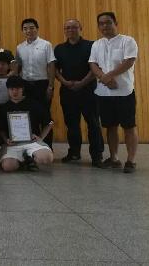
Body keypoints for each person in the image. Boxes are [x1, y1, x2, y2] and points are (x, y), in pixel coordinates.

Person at [89, 12, 138, 173]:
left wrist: (108, 75)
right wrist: (103, 77)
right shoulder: (97, 44)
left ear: (115, 23)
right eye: (101, 23)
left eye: (108, 22)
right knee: (110, 127)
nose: (105, 26)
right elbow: (93, 64)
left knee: (129, 127)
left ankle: (131, 160)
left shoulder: (127, 41)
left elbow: (129, 61)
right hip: (103, 93)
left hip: (124, 92)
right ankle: (114, 158)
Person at [54, 19, 104, 166]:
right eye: (67, 28)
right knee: (72, 124)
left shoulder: (92, 45)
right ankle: (74, 153)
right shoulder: (59, 48)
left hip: (89, 91)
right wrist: (64, 82)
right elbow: (55, 70)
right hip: (68, 91)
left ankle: (97, 156)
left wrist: (82, 83)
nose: (70, 30)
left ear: (80, 28)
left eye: (74, 27)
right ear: (64, 30)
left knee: (93, 123)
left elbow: (96, 67)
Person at [13, 18, 55, 147]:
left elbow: (51, 65)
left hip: (42, 85)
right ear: (22, 31)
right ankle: (32, 146)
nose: (28, 31)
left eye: (31, 28)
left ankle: (47, 146)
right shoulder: (19, 47)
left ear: (37, 29)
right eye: (25, 29)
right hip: (26, 85)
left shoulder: (46, 45)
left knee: (45, 117)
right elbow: (17, 67)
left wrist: (50, 86)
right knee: (30, 116)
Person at [0, 76, 54, 172]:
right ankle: (25, 160)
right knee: (8, 167)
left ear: (22, 89)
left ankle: (30, 157)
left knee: (46, 158)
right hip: (12, 144)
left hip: (32, 142)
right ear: (8, 90)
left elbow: (50, 122)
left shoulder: (34, 104)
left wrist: (41, 137)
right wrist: (6, 140)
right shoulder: (4, 107)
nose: (15, 92)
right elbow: (1, 129)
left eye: (17, 88)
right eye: (12, 89)